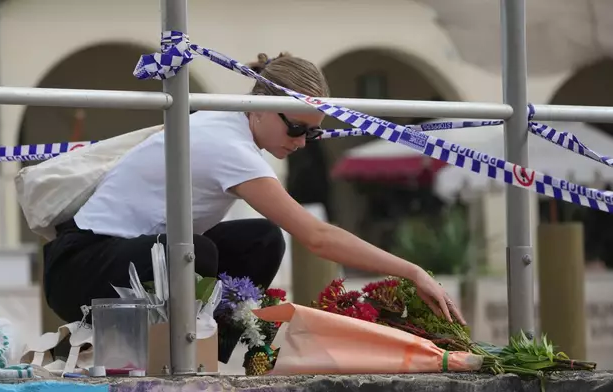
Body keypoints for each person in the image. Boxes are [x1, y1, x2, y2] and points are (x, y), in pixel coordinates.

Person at [42, 52, 465, 363]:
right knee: (194, 252)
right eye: (296, 128)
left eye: (311, 135)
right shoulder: (231, 147)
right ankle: (191, 348)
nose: (300, 143)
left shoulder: (229, 122)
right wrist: (411, 270)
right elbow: (318, 237)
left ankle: (228, 339)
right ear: (262, 106)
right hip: (79, 268)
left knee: (261, 238)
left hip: (119, 257)